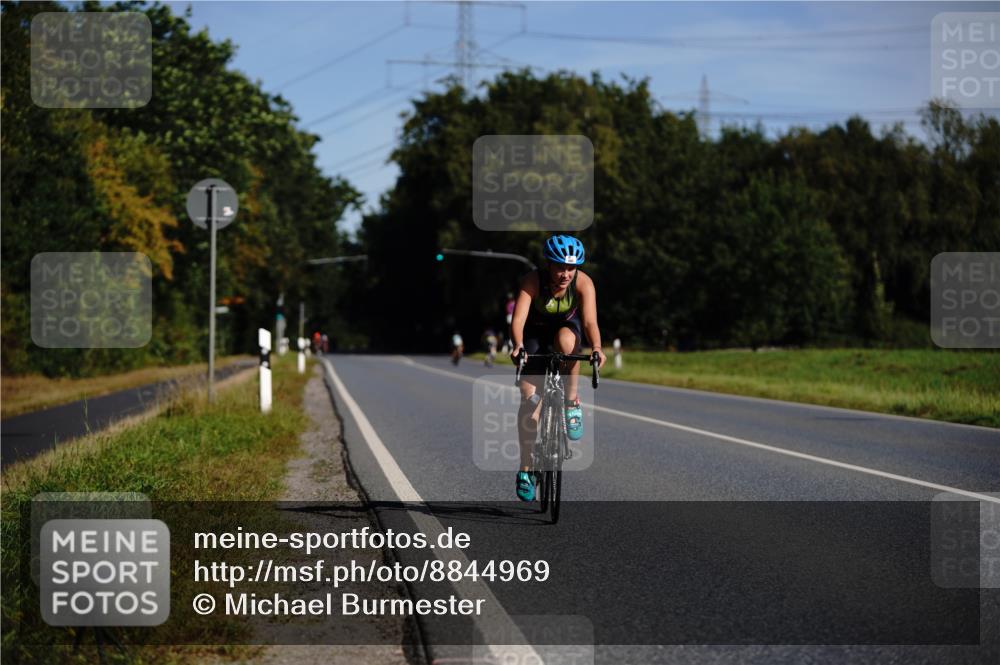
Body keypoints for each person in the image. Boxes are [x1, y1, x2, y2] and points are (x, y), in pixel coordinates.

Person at [509, 235, 606, 502]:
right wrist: (518, 345)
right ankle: (526, 469)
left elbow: (590, 322)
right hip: (535, 334)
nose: (565, 274)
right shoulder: (532, 281)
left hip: (566, 329)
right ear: (548, 265)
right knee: (529, 399)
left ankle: (571, 400)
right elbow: (518, 320)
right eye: (560, 267)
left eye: (571, 268)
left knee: (567, 343)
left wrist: (597, 347)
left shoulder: (583, 283)